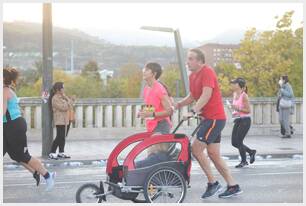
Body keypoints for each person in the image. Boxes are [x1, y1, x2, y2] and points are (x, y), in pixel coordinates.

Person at [175, 48, 241, 199]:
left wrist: (193, 111)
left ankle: (213, 183)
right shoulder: (192, 76)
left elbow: (206, 94)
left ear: (200, 61)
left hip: (214, 119)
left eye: (191, 58)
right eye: (188, 58)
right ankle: (233, 186)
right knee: (213, 154)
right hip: (209, 119)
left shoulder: (207, 72)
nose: (188, 61)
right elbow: (192, 95)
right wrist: (178, 105)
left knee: (196, 149)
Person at [3, 67, 56, 191]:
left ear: (4, 78)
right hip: (10, 125)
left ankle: (48, 176)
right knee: (15, 155)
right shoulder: (8, 90)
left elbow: (3, 111)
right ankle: (36, 172)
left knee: (22, 155)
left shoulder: (4, 90)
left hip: (13, 126)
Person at [138, 62, 173, 154]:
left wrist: (151, 114)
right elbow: (151, 108)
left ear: (154, 74)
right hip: (152, 126)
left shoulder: (159, 89)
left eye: (147, 70)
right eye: (144, 69)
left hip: (161, 125)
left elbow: (170, 111)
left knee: (154, 155)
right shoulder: (146, 88)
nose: (144, 72)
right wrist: (144, 113)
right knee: (153, 155)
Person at [228, 77, 256, 168]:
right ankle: (251, 152)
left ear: (239, 85)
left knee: (239, 141)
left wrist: (237, 108)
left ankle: (244, 161)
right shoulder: (234, 93)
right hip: (238, 119)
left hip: (245, 120)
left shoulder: (244, 96)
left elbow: (248, 110)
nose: (233, 84)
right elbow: (237, 108)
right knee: (234, 142)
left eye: (235, 83)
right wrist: (233, 110)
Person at [48, 82, 75, 160]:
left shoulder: (63, 97)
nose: (64, 89)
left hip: (65, 119)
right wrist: (70, 101)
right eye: (62, 88)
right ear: (58, 89)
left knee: (63, 137)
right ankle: (52, 152)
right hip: (59, 120)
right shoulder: (55, 98)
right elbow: (64, 107)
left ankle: (61, 152)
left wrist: (67, 99)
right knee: (59, 136)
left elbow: (70, 105)